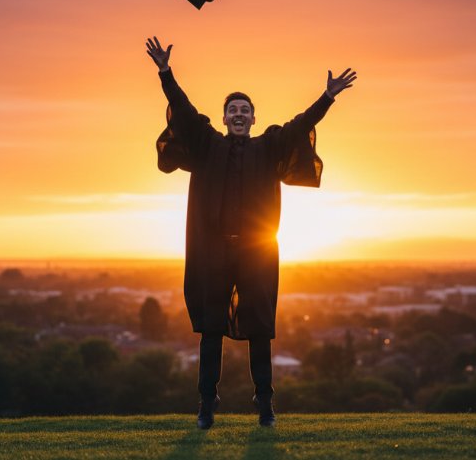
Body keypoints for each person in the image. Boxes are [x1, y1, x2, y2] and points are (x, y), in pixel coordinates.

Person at [147, 36, 356, 428]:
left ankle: (265, 405)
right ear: (224, 118)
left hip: (257, 252)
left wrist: (327, 97)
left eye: (245, 110)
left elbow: (300, 126)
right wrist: (165, 73)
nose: (238, 114)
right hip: (213, 252)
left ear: (253, 119)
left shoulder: (269, 147)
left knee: (260, 327)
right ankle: (206, 406)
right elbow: (185, 111)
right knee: (211, 329)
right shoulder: (208, 145)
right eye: (232, 110)